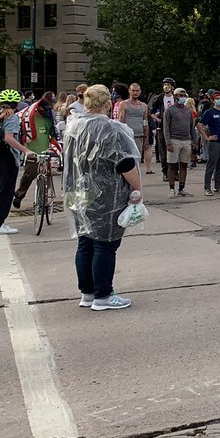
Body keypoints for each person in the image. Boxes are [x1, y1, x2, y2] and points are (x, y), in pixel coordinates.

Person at [62, 84, 142, 311]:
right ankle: (103, 295)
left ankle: (87, 293)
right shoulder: (113, 129)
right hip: (106, 194)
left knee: (85, 241)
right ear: (108, 104)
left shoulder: (74, 127)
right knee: (105, 244)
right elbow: (125, 162)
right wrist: (137, 189)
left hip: (77, 191)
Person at [0, 89, 32, 234]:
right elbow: (9, 138)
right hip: (5, 157)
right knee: (4, 190)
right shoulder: (12, 117)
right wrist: (26, 151)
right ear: (16, 104)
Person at [11, 91, 58, 209]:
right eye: (43, 108)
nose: (45, 111)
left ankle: (44, 199)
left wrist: (55, 149)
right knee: (29, 175)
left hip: (45, 151)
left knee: (46, 176)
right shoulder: (28, 119)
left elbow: (52, 135)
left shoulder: (48, 120)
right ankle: (19, 195)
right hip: (31, 151)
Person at [198, 93, 220, 195]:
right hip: (214, 142)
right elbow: (200, 124)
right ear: (213, 101)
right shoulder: (209, 112)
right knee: (211, 165)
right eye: (217, 98)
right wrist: (207, 137)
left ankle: (217, 186)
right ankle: (207, 188)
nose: (219, 100)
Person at [163, 87, 194, 196]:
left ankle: (181, 187)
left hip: (186, 141)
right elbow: (166, 128)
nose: (182, 97)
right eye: (180, 95)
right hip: (174, 140)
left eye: (184, 95)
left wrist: (193, 141)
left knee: (184, 165)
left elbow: (191, 126)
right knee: (172, 165)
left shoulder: (188, 111)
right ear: (175, 96)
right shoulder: (169, 110)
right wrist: (168, 143)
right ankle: (172, 188)